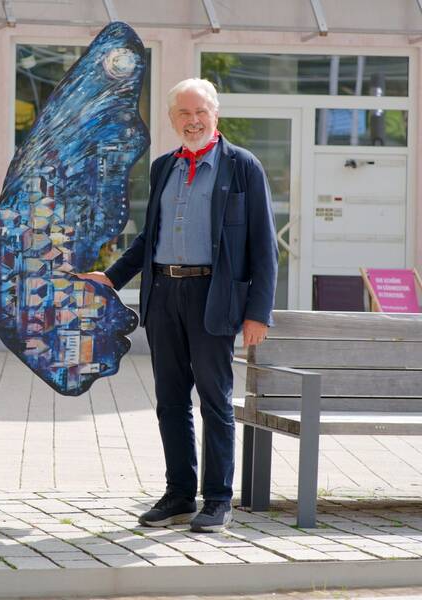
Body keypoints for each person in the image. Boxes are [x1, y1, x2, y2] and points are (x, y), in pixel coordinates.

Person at [81, 78, 278, 533]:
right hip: (164, 295)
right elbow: (151, 239)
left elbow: (264, 245)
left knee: (215, 400)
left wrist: (257, 312)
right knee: (170, 400)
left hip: (215, 297)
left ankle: (218, 498)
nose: (192, 121)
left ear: (215, 115)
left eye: (200, 113)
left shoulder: (242, 167)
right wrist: (110, 278)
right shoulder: (163, 168)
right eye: (183, 114)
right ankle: (178, 495)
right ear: (172, 120)